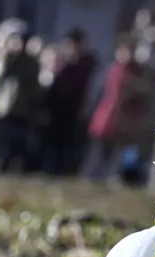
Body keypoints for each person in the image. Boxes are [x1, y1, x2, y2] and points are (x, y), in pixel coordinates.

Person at [84, 37, 149, 185]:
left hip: (123, 121)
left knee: (118, 151)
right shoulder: (116, 71)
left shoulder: (136, 72)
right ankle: (92, 176)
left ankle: (111, 176)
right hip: (108, 118)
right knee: (100, 151)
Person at [0, 22, 43, 172]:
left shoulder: (31, 63)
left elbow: (33, 88)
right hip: (5, 107)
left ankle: (10, 165)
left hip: (22, 109)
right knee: (3, 140)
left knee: (16, 141)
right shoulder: (8, 59)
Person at [44, 28, 97, 175]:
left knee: (69, 143)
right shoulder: (60, 64)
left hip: (74, 111)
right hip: (56, 109)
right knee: (53, 141)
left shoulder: (85, 66)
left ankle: (64, 170)